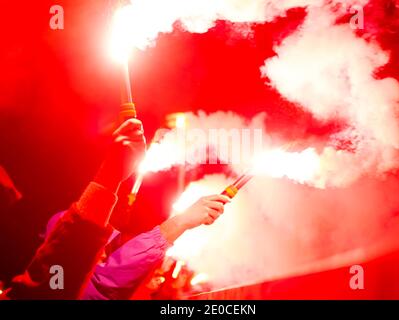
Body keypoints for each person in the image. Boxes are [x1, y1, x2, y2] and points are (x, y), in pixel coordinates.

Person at [2, 118, 146, 299]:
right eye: (97, 253)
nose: (98, 258)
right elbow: (48, 290)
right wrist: (111, 175)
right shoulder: (59, 275)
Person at [45, 192, 230, 300]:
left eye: (105, 248)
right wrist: (180, 222)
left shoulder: (55, 277)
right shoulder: (56, 284)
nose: (103, 255)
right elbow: (106, 282)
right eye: (95, 247)